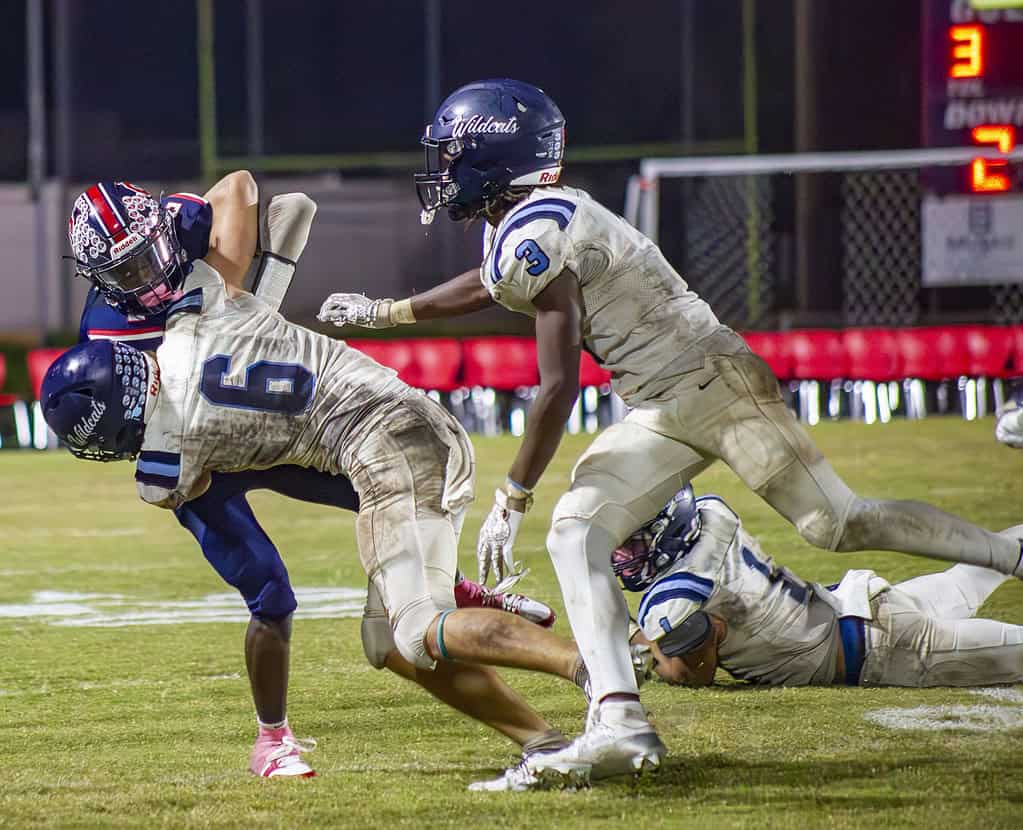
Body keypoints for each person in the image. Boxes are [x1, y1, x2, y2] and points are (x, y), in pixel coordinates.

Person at [316, 78, 1023, 784]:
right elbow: (489, 283)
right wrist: (388, 312)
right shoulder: (524, 223)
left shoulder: (538, 228)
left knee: (836, 523)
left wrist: (513, 494)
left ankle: (1007, 554)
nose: (442, 173)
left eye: (452, 157)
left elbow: (557, 386)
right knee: (576, 530)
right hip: (657, 403)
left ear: (492, 159)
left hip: (715, 386)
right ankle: (619, 721)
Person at [42, 244, 588, 790]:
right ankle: (547, 742)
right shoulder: (196, 310)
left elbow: (175, 482)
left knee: (419, 631)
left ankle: (594, 669)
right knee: (391, 646)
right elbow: (290, 211)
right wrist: (261, 297)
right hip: (411, 419)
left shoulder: (165, 459)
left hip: (388, 451)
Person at [613, 487, 1023, 690]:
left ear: (665, 531)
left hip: (878, 649)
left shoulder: (677, 598)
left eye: (633, 543)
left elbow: (692, 675)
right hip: (863, 603)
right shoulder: (712, 514)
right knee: (973, 573)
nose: (624, 557)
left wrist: (632, 634)